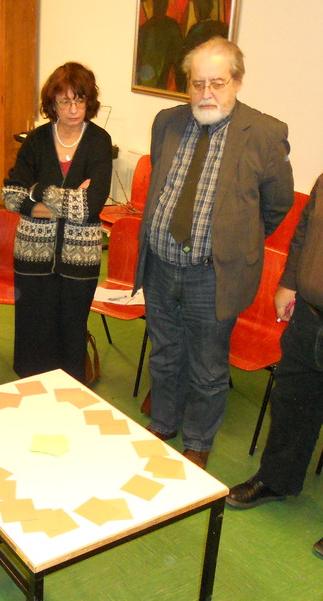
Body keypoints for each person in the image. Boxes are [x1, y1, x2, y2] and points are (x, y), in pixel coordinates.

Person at [134, 37, 293, 469]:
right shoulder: (167, 122)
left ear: (237, 82)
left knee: (207, 366)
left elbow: (276, 206)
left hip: (213, 275)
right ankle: (164, 422)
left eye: (217, 83)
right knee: (164, 353)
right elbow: (162, 186)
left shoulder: (265, 133)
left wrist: (232, 242)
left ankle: (198, 441)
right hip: (161, 265)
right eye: (197, 83)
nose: (206, 93)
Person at [226, 173, 323, 557]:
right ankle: (277, 480)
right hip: (311, 316)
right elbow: (304, 233)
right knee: (292, 401)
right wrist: (290, 282)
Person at [2, 62, 113, 383]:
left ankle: (69, 388)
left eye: (79, 100)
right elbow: (11, 195)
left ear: (89, 101)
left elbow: (91, 206)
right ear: (52, 103)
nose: (73, 109)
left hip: (80, 257)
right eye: (65, 102)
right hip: (32, 253)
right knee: (33, 324)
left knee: (72, 326)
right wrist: (67, 201)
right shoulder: (36, 140)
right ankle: (32, 385)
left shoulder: (99, 141)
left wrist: (39, 192)